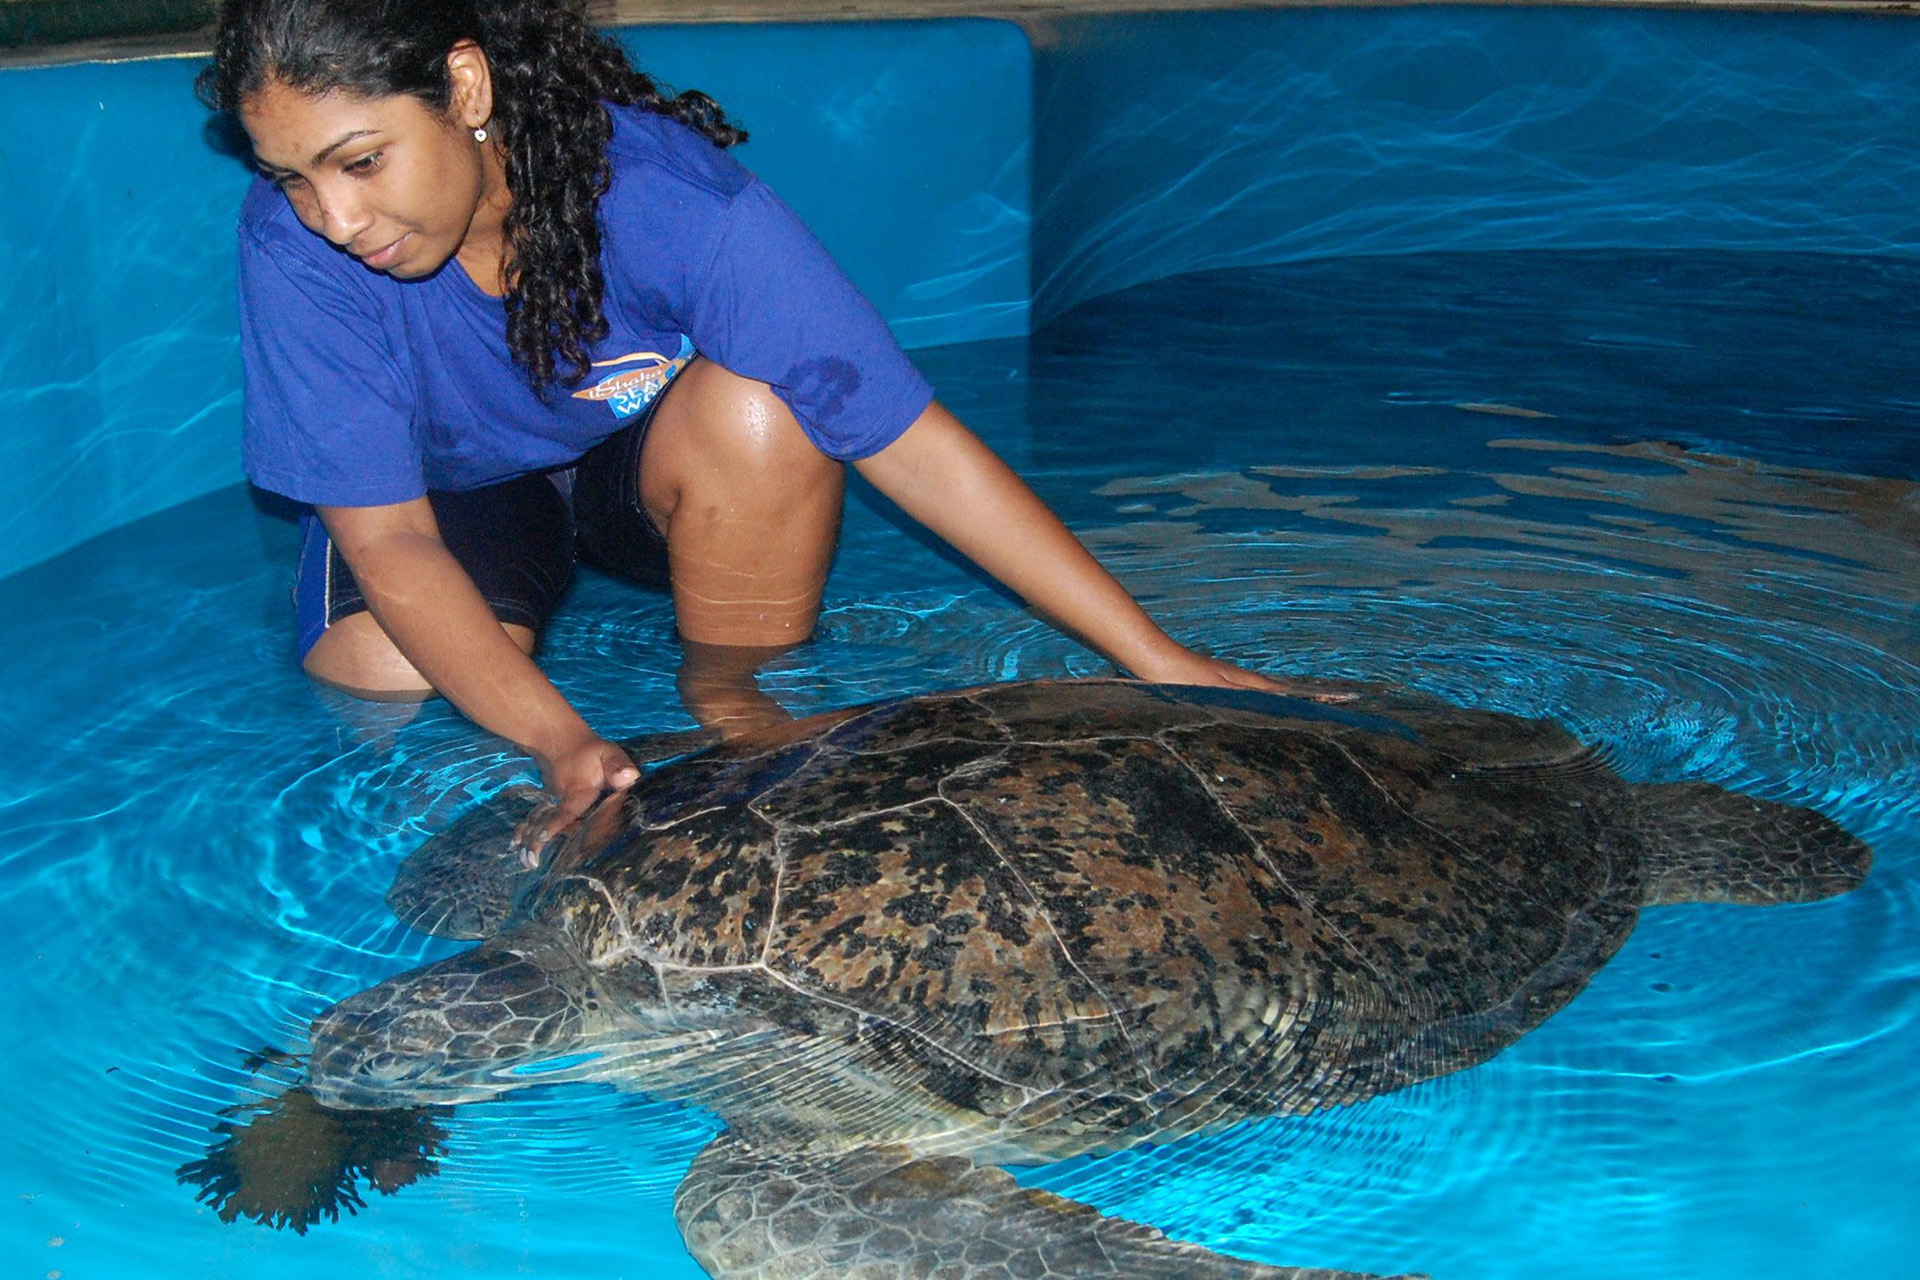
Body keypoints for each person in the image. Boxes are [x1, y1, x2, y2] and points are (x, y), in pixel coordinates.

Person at [198, 0, 1292, 844]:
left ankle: (725, 690)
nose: (334, 218)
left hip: (643, 464)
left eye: (360, 161)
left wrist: (1154, 655)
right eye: (291, 178)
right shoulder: (293, 251)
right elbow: (388, 537)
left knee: (773, 401)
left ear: (465, 85)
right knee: (384, 676)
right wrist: (562, 740)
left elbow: (901, 433)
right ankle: (530, 650)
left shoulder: (664, 195)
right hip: (448, 492)